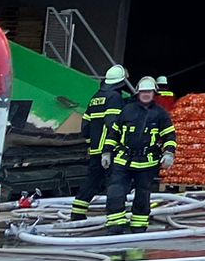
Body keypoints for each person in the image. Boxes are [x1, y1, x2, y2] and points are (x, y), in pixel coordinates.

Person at [102, 76, 175, 231]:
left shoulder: (160, 114)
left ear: (154, 93)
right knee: (115, 191)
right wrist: (106, 152)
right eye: (143, 91)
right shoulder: (127, 110)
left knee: (143, 195)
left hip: (147, 162)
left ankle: (138, 226)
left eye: (149, 91)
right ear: (138, 93)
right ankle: (115, 224)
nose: (146, 94)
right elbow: (113, 133)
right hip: (123, 160)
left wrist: (169, 153)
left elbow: (169, 136)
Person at [73, 64, 132, 219]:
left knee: (92, 181)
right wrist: (113, 146)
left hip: (95, 149)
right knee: (115, 183)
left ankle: (77, 213)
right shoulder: (115, 98)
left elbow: (85, 125)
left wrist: (91, 143)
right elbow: (113, 124)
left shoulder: (95, 98)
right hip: (109, 149)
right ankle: (115, 216)